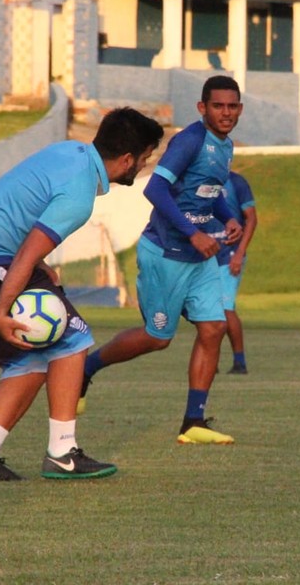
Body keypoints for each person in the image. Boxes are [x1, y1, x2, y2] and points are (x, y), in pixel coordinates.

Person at [0, 107, 164, 481]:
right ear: (127, 159)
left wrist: (39, 264)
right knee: (73, 338)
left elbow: (23, 206)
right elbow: (29, 248)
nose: (143, 166)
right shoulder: (80, 195)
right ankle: (63, 452)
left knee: (30, 356)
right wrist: (2, 309)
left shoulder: (70, 152)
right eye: (144, 159)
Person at [80, 75, 244, 445]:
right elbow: (155, 188)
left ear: (240, 109)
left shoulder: (225, 144)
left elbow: (208, 191)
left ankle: (193, 422)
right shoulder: (189, 141)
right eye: (218, 105)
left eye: (232, 106)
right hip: (167, 254)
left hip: (198, 257)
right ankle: (87, 367)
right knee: (158, 338)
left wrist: (228, 216)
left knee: (213, 328)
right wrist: (193, 233)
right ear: (202, 108)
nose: (226, 112)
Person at [217, 170, 258, 375]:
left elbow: (251, 218)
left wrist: (239, 253)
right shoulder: (198, 180)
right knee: (205, 311)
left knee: (226, 308)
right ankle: (209, 359)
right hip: (206, 255)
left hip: (229, 254)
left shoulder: (236, 182)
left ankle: (239, 361)